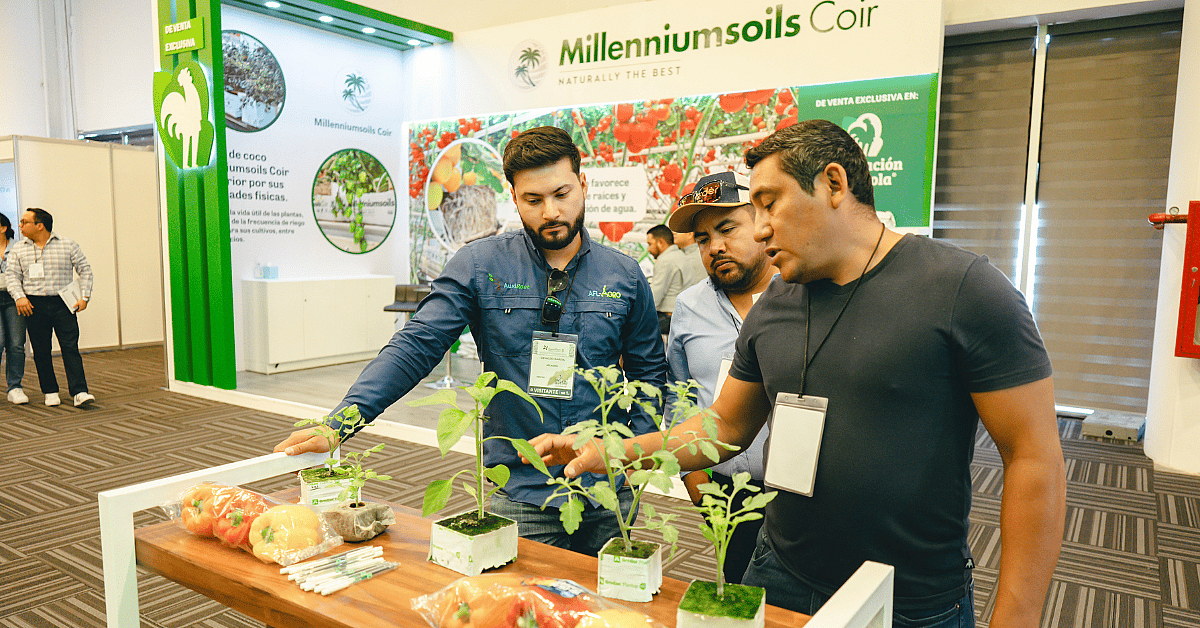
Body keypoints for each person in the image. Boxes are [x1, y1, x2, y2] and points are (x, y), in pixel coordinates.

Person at [531, 120, 1066, 627]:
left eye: (769, 203)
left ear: (834, 183)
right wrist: (615, 452)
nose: (760, 228)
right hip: (780, 573)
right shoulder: (775, 304)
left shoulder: (964, 289)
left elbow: (1033, 458)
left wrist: (1016, 618)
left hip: (911, 595)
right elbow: (727, 426)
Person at [275, 126, 668, 555]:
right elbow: (417, 343)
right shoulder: (480, 265)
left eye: (562, 194)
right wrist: (341, 423)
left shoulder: (625, 276)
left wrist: (632, 456)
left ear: (583, 184)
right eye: (533, 200)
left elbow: (649, 374)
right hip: (521, 490)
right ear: (513, 197)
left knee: (606, 613)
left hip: (608, 489)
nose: (551, 212)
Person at [665, 170, 776, 585]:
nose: (716, 247)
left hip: (802, 498)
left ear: (762, 224)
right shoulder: (690, 307)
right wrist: (695, 481)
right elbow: (679, 392)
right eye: (703, 238)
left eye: (728, 228)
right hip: (724, 490)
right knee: (736, 595)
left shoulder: (803, 296)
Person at [5, 208, 95, 407]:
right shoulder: (19, 249)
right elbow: (11, 276)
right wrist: (19, 297)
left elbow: (85, 270)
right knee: (41, 350)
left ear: (40, 225)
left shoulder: (67, 245)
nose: (19, 226)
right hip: (33, 304)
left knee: (70, 347)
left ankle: (79, 391)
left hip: (63, 303)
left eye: (24, 222)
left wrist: (85, 297)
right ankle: (50, 390)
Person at [646, 223, 705, 335]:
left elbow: (654, 298)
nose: (648, 249)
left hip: (669, 317)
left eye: (650, 244)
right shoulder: (681, 255)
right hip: (686, 315)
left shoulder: (666, 260)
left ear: (660, 242)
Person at [1, 213, 29, 404]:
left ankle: (15, 387)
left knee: (17, 344)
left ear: (3, 228)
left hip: (14, 298)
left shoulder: (19, 247)